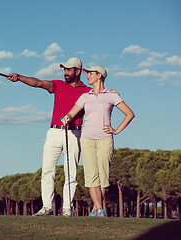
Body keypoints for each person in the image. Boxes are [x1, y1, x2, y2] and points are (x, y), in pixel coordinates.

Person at [8, 57, 91, 217]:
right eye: (64, 69)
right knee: (47, 170)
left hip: (74, 133)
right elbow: (38, 83)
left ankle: (67, 208)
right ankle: (47, 207)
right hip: (54, 132)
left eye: (68, 69)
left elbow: (101, 96)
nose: (65, 72)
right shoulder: (58, 85)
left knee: (71, 172)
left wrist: (112, 92)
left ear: (78, 71)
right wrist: (19, 77)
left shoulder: (87, 91)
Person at [61, 65, 135, 217]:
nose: (87, 76)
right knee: (91, 175)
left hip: (105, 140)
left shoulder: (112, 95)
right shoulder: (85, 97)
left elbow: (129, 114)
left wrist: (116, 130)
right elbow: (72, 112)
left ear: (99, 75)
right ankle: (99, 209)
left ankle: (96, 208)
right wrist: (66, 118)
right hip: (87, 139)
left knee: (103, 176)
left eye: (90, 74)